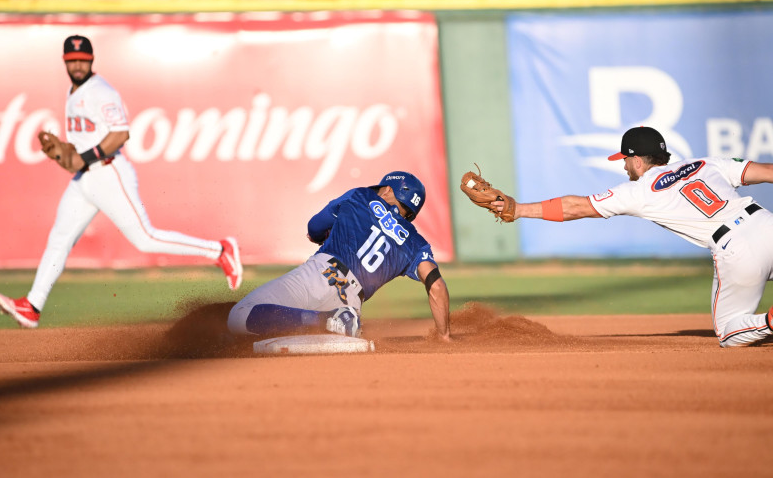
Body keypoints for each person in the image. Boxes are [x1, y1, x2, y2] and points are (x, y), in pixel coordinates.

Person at [0, 34, 242, 329]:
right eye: (72, 60)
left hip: (109, 173)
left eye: (82, 59)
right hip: (84, 178)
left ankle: (220, 251)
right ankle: (32, 306)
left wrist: (82, 157)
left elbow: (121, 133)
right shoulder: (74, 91)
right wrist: (66, 153)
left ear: (92, 59)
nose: (78, 64)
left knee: (145, 239)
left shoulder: (101, 91)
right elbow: (84, 142)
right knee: (59, 239)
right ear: (65, 62)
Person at [496, 125, 773, 347]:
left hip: (737, 249)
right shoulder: (706, 163)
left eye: (626, 160)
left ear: (638, 160)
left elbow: (576, 207)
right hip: (764, 222)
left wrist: (519, 209)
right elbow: (768, 171)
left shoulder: (639, 191)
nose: (624, 166)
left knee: (728, 332)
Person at [227, 171, 451, 341]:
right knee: (293, 334)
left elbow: (315, 226)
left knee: (240, 315)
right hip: (351, 300)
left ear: (389, 191)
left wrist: (321, 236)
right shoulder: (415, 242)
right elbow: (436, 286)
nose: (379, 191)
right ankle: (338, 321)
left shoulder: (362, 196)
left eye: (382, 188)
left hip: (321, 275)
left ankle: (324, 320)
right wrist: (444, 336)